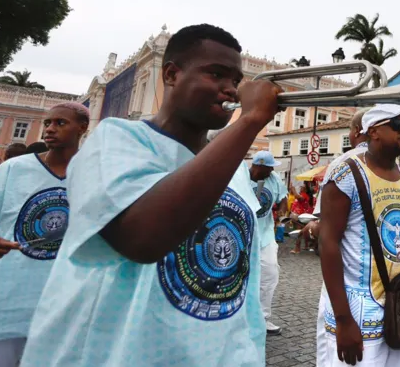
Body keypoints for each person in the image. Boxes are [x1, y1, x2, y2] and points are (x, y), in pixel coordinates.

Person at [18, 24, 281, 367]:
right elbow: (142, 239)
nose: (231, 89)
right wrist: (249, 122)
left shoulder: (233, 166)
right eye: (216, 74)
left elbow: (239, 271)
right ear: (171, 74)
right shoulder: (114, 140)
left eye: (236, 80)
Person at [0, 102, 89, 366]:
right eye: (47, 123)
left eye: (60, 123)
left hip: (65, 303)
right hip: (4, 301)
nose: (50, 129)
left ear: (82, 128)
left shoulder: (95, 173)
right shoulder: (14, 169)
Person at [318, 104, 400, 367]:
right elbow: (328, 242)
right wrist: (344, 319)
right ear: (373, 131)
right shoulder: (346, 174)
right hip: (357, 313)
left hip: (399, 308)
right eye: (397, 125)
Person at [313, 108, 371, 365]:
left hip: (346, 277)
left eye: (349, 130)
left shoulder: (342, 165)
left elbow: (326, 229)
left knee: (329, 347)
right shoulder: (394, 168)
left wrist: (312, 228)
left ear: (357, 131)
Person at [249, 150, 289, 336]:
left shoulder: (273, 179)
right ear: (259, 166)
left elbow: (283, 198)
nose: (272, 170)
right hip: (243, 235)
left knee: (270, 273)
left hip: (265, 236)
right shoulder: (241, 177)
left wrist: (282, 210)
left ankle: (262, 319)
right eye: (269, 167)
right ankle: (240, 318)